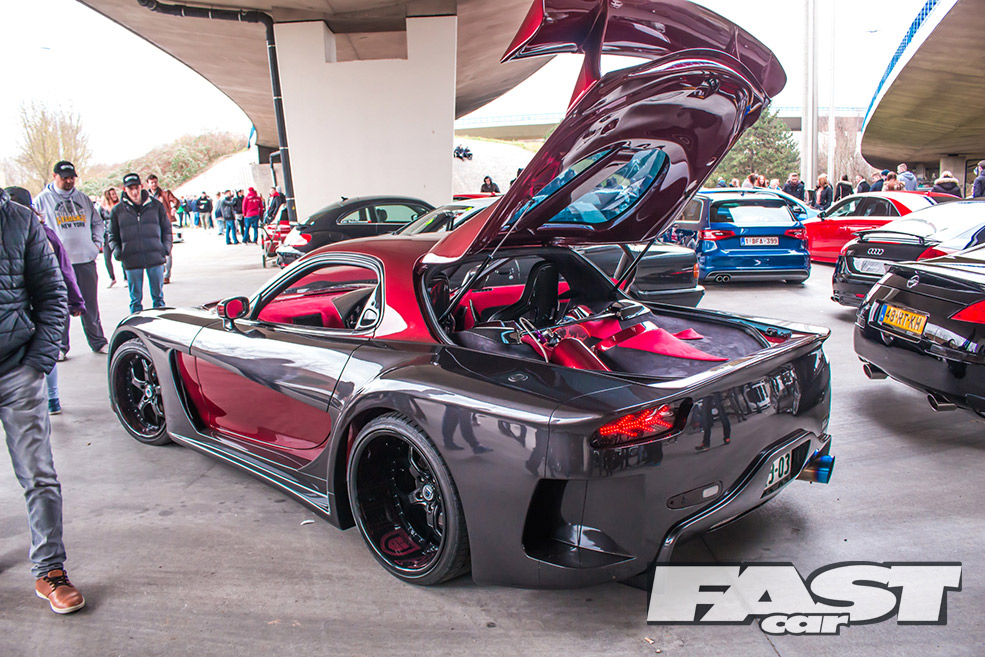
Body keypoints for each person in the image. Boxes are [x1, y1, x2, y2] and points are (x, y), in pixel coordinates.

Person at [0, 186, 85, 614]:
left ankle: (50, 570)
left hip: (17, 368)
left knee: (39, 475)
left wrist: (38, 361)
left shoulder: (18, 219)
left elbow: (52, 292)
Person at [5, 187, 86, 416]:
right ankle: (51, 399)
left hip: (37, 308)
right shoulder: (40, 232)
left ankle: (52, 398)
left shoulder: (42, 234)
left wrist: (75, 300)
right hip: (23, 311)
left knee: (42, 351)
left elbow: (62, 271)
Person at [33, 160, 108, 355]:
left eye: (72, 178)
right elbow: (36, 228)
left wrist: (95, 244)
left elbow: (97, 223)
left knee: (90, 304)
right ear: (54, 176)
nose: (69, 181)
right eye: (65, 177)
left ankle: (98, 341)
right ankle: (60, 346)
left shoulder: (83, 199)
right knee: (60, 305)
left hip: (85, 260)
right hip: (57, 263)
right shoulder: (42, 200)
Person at [108, 173, 172, 314]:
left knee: (158, 298)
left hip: (155, 257)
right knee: (135, 300)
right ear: (125, 190)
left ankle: (161, 324)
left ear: (141, 186)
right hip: (131, 259)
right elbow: (112, 235)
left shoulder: (156, 206)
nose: (134, 192)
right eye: (130, 189)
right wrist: (118, 252)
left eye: (136, 187)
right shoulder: (117, 211)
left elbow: (167, 229)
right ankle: (135, 325)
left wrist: (165, 248)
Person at [145, 175, 178, 284]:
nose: (154, 184)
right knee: (154, 250)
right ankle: (159, 272)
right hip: (151, 225)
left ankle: (166, 275)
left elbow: (176, 201)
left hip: (165, 223)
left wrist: (174, 208)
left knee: (167, 248)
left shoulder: (165, 193)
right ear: (148, 183)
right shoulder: (145, 196)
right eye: (151, 182)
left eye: (155, 182)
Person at [99, 188, 120, 288]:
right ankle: (112, 278)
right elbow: (98, 222)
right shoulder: (102, 208)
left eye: (115, 193)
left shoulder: (119, 205)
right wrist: (100, 237)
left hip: (119, 233)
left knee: (122, 255)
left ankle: (126, 277)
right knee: (107, 258)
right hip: (107, 234)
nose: (115, 195)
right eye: (112, 194)